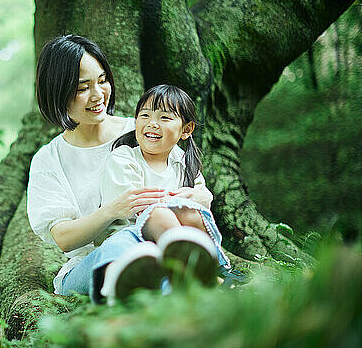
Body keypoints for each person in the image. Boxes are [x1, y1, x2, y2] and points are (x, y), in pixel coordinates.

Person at [27, 35, 216, 304]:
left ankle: (177, 287)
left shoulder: (141, 129)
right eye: (82, 88)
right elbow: (64, 238)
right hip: (94, 263)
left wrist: (193, 199)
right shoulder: (49, 159)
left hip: (161, 246)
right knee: (124, 244)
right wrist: (113, 210)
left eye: (102, 80)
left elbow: (196, 187)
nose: (98, 94)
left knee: (151, 252)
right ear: (57, 91)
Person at [97, 84, 232, 303]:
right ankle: (185, 278)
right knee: (160, 213)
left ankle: (205, 273)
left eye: (164, 118)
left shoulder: (184, 162)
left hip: (169, 233)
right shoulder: (123, 158)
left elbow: (201, 197)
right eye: (145, 115)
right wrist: (181, 199)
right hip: (130, 238)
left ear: (186, 130)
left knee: (193, 215)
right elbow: (136, 205)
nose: (152, 123)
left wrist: (201, 197)